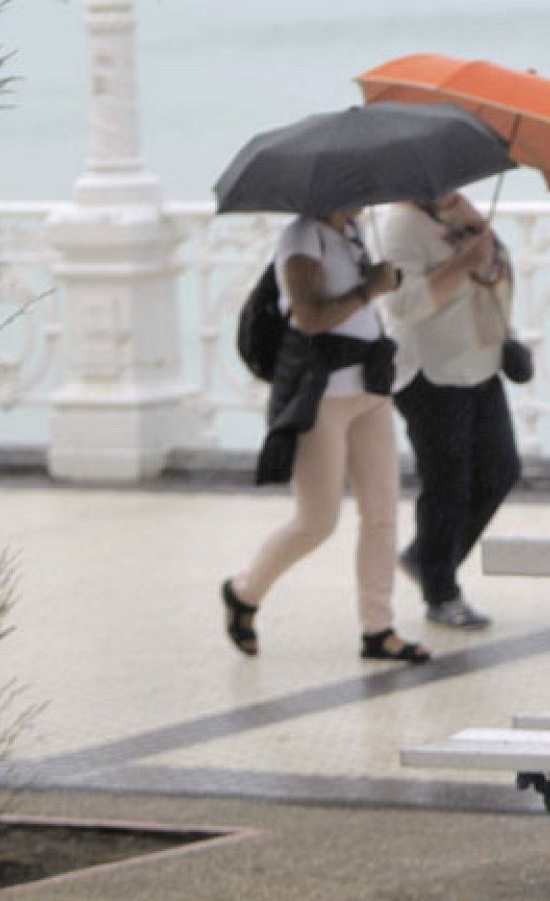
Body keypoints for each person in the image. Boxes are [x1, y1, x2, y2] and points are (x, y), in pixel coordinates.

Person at [220, 208, 431, 665]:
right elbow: (311, 317)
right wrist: (369, 289)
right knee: (317, 521)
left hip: (369, 390)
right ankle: (243, 592)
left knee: (382, 513)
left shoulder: (351, 232)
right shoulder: (302, 237)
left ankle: (378, 628)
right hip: (321, 395)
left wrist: (379, 282)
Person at [375, 193, 519, 630]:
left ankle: (426, 559)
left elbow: (495, 269)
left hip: (481, 361)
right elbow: (401, 304)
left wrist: (481, 238)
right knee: (446, 484)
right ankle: (441, 591)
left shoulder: (457, 209)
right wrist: (460, 265)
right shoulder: (400, 225)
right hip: (429, 373)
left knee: (500, 469)